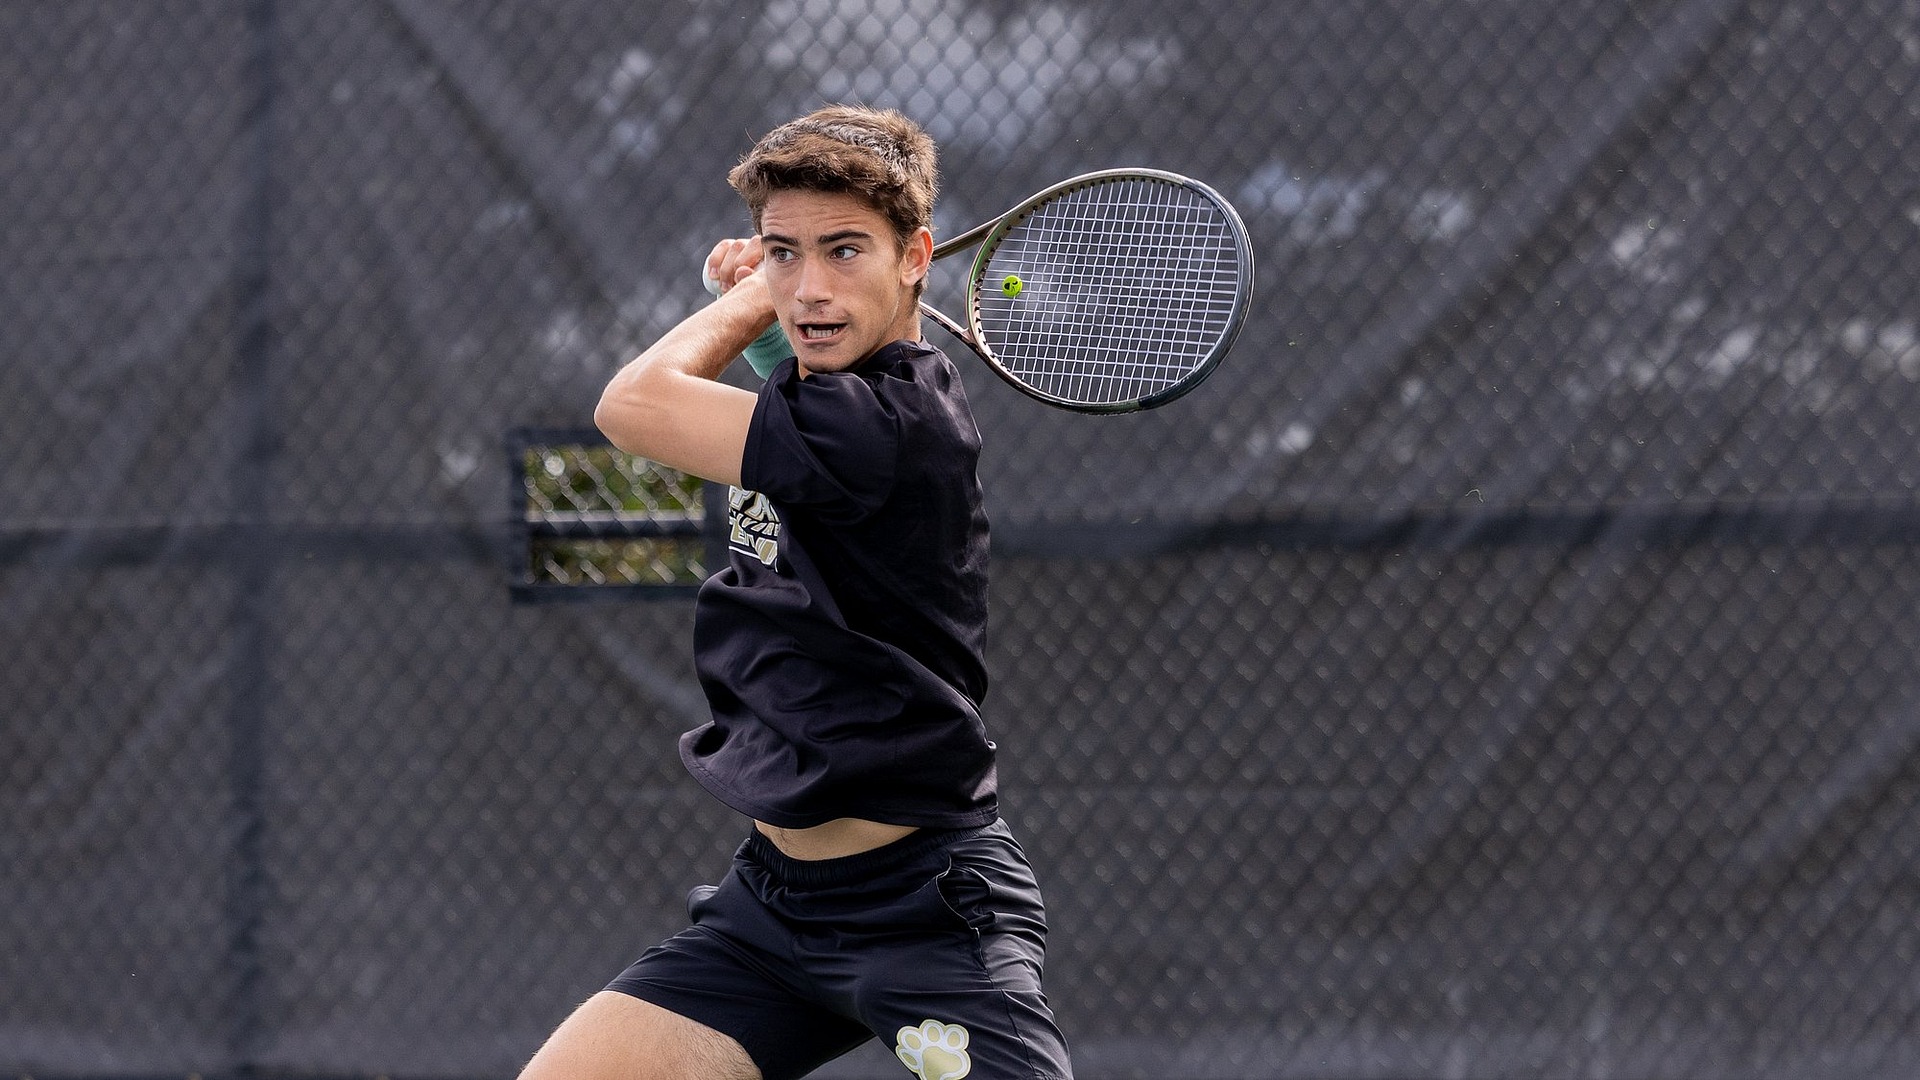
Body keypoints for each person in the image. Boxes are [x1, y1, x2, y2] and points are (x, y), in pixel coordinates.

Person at [518, 106, 1074, 1080]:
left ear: (917, 257)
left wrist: (751, 302)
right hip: (770, 917)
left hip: (923, 916)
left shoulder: (896, 421)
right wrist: (782, 325)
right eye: (786, 249)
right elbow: (795, 419)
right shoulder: (833, 404)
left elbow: (632, 405)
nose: (813, 286)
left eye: (844, 250)